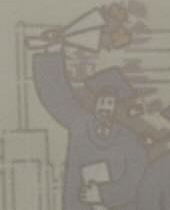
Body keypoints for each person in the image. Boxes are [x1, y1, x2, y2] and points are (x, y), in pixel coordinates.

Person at [31, 49, 147, 210]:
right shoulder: (80, 124)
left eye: (109, 103)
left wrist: (103, 194)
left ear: (116, 106)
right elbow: (57, 97)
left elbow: (135, 179)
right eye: (101, 102)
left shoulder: (129, 139)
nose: (104, 108)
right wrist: (51, 51)